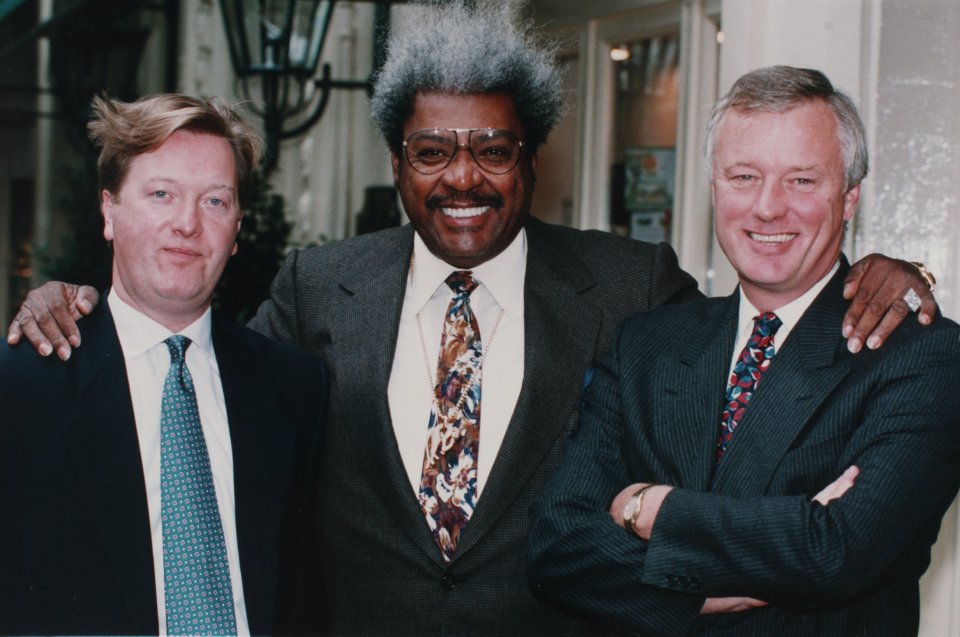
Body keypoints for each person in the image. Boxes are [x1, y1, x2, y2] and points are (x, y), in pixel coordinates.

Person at [4, 4, 939, 634]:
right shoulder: (317, 287)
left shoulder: (632, 285)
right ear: (400, 163)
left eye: (493, 148)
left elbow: (765, 343)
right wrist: (76, 298)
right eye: (431, 151)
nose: (462, 177)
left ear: (532, 158)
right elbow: (193, 366)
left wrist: (885, 273)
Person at [528, 65, 960, 636]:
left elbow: (834, 554)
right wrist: (702, 590)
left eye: (802, 181)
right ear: (713, 188)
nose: (766, 207)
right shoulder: (647, 345)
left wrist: (648, 509)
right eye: (743, 176)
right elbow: (558, 547)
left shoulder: (921, 357)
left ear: (850, 196)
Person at [0, 94, 325, 636]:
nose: (187, 224)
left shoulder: (293, 388)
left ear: (238, 228)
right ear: (109, 211)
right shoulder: (22, 389)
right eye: (161, 194)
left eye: (215, 202)